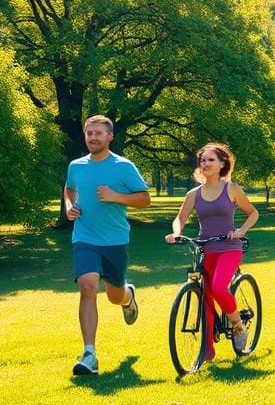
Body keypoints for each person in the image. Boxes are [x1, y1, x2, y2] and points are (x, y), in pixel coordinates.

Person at [64, 115, 151, 376]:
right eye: (89, 133)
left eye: (98, 133)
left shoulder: (123, 167)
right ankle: (89, 354)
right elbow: (69, 190)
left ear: (109, 136)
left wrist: (116, 197)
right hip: (85, 237)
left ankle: (127, 296)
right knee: (88, 286)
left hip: (115, 240)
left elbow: (145, 199)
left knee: (114, 295)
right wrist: (70, 207)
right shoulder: (76, 166)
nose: (92, 137)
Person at [165, 143, 259, 360]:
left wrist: (240, 231)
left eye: (211, 160)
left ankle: (237, 324)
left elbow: (253, 213)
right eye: (203, 160)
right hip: (206, 249)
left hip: (229, 247)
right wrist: (177, 232)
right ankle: (207, 350)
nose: (205, 164)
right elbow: (180, 218)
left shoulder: (231, 188)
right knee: (206, 297)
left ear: (222, 163)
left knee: (217, 287)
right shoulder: (193, 194)